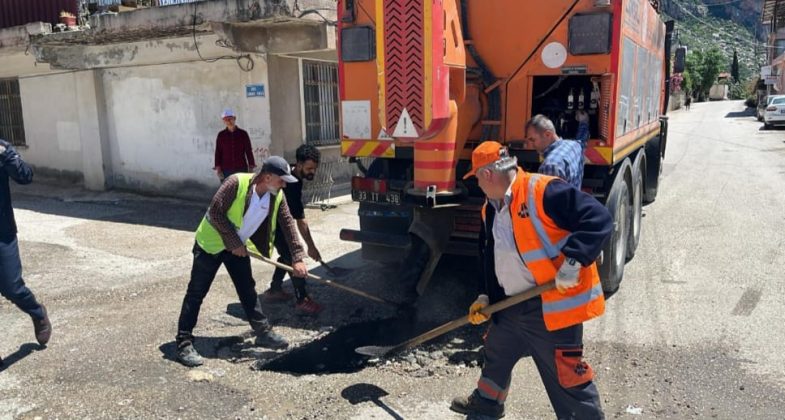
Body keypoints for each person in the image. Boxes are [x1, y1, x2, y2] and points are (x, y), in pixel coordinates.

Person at [452, 141, 612, 419]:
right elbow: (489, 254)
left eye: (476, 178)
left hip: (550, 310)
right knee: (496, 353)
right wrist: (484, 294)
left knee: (567, 379)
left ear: (488, 174)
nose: (477, 185)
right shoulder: (490, 208)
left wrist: (573, 262)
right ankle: (488, 402)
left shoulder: (543, 190)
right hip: (511, 305)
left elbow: (598, 218)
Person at [175, 156, 307, 367]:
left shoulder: (276, 196)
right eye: (281, 180)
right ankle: (183, 342)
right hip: (211, 244)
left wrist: (298, 258)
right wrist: (233, 241)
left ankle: (262, 332)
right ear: (267, 176)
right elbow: (215, 212)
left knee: (247, 289)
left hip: (237, 248)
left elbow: (289, 225)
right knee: (197, 292)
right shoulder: (236, 183)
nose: (283, 185)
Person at [0, 139, 52, 350]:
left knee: (12, 287)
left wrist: (5, 154)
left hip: (2, 233)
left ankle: (37, 312)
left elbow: (25, 176)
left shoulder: (3, 149)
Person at [261, 145, 324, 314]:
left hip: (277, 220)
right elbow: (300, 221)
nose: (313, 172)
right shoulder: (290, 182)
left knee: (286, 255)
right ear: (299, 164)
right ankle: (301, 299)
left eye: (314, 168)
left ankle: (274, 290)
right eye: (309, 168)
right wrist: (310, 246)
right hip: (268, 222)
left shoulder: (294, 176)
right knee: (293, 257)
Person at [525, 110, 589, 189]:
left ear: (548, 134)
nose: (531, 145)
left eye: (533, 140)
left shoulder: (550, 166)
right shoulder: (574, 146)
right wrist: (584, 122)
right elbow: (582, 140)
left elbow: (552, 200)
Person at [213, 108, 256, 181]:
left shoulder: (243, 134)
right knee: (228, 191)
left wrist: (251, 166)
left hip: (241, 168)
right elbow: (218, 152)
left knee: (242, 189)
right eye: (226, 119)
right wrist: (218, 168)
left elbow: (248, 151)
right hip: (226, 170)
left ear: (234, 118)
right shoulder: (221, 135)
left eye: (230, 119)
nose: (229, 121)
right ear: (223, 121)